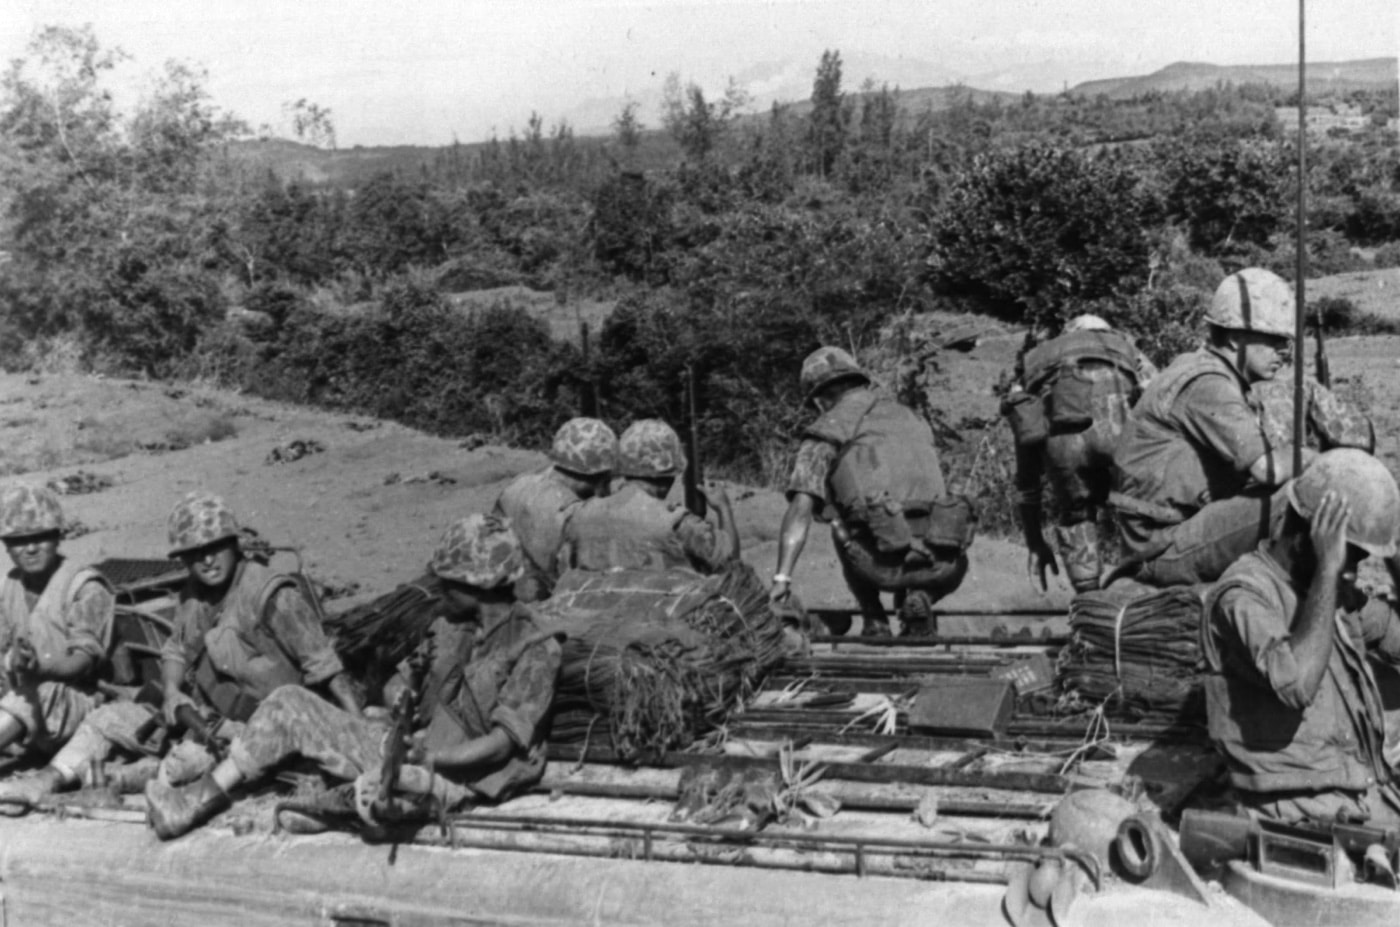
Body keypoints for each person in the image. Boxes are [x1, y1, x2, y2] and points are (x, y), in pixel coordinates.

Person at [144, 513, 564, 841]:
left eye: (448, 584)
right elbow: (401, 680)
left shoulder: (534, 647)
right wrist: (397, 700)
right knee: (289, 702)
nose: (438, 592)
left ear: (480, 584)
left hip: (465, 778)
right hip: (416, 748)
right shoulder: (451, 626)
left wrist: (431, 759)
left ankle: (356, 802)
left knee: (384, 786)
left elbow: (500, 745)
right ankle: (196, 802)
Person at [0, 492, 357, 808]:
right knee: (106, 720)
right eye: (193, 555)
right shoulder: (194, 596)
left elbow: (326, 670)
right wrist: (171, 692)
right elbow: (175, 651)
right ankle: (44, 782)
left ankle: (144, 786)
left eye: (214, 548)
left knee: (184, 766)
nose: (207, 561)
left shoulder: (272, 596)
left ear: (234, 544)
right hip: (203, 718)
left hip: (261, 730)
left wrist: (355, 732)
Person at [1202, 449, 1400, 825]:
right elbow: (1298, 682)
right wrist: (1329, 568)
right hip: (1299, 808)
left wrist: (1394, 554)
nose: (1352, 573)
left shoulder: (1334, 595)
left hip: (1358, 792)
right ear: (1311, 535)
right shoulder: (1243, 595)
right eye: (1350, 558)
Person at [1109, 268, 1311, 588]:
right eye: (1273, 340)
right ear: (1235, 338)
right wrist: (1316, 457)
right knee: (1301, 495)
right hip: (1161, 546)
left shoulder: (1210, 375)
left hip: (1171, 534)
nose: (1284, 351)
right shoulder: (1208, 384)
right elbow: (1268, 470)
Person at [772, 347, 973, 637]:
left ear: (820, 399)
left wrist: (782, 578)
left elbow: (801, 509)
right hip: (945, 565)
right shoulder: (914, 418)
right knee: (923, 514)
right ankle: (922, 598)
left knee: (840, 522)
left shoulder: (827, 429)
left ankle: (874, 617)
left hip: (878, 566)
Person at [1004, 314, 1155, 593]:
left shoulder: (1038, 358)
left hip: (1062, 445)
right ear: (1106, 330)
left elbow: (1025, 445)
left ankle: (1089, 604)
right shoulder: (1128, 348)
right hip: (1118, 433)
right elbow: (1158, 398)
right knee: (1141, 510)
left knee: (1076, 516)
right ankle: (1142, 595)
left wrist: (1035, 539)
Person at [0, 484, 114, 764]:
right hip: (25, 701)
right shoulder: (8, 586)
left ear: (57, 537)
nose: (30, 549)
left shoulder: (84, 586)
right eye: (19, 541)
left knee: (40, 689)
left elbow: (84, 661)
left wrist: (42, 667)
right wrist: (11, 660)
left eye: (40, 538)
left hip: (80, 700)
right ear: (6, 546)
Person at [556, 419, 737, 574]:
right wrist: (724, 509)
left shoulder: (579, 515)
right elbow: (731, 563)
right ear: (668, 476)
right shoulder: (676, 522)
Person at [493, 417, 618, 600]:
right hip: (537, 611)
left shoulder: (518, 485)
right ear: (601, 477)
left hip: (496, 596)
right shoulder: (572, 514)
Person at [1254, 372, 1375, 456]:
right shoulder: (1298, 386)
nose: (1284, 350)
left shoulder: (1299, 386)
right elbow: (1355, 436)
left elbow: (1353, 434)